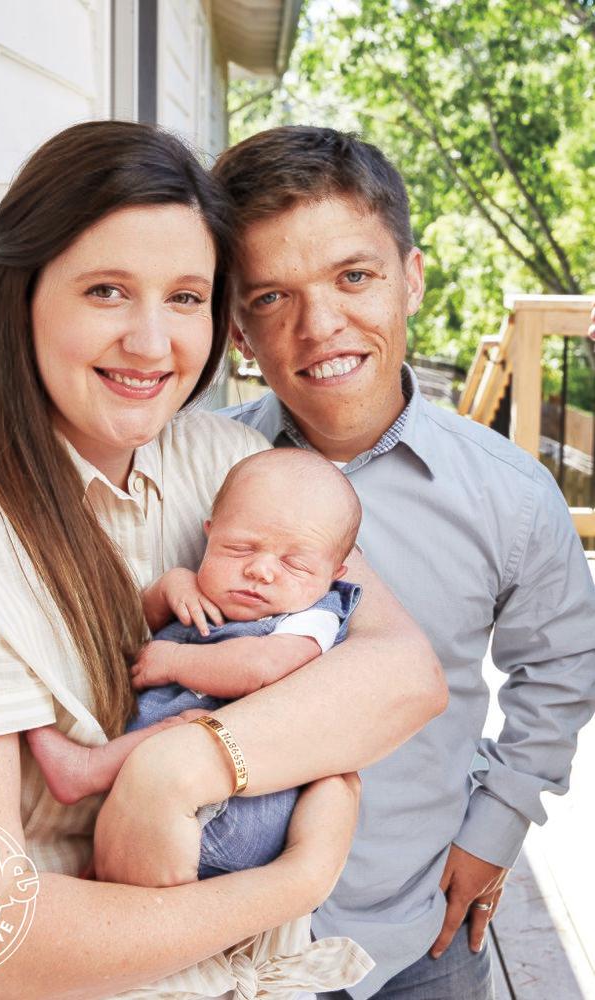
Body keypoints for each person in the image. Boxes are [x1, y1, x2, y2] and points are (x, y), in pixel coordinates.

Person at [0, 121, 447, 1000]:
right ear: (23, 296)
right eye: (105, 290)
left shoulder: (221, 464)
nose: (151, 342)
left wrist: (187, 764)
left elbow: (403, 674)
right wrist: (288, 885)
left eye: (185, 297)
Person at [204, 125, 595, 1000]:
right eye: (271, 297)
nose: (320, 325)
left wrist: (493, 829)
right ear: (236, 327)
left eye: (354, 276)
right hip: (217, 936)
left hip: (413, 924)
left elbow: (562, 666)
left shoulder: (508, 494)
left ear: (410, 277)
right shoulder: (200, 472)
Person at [28, 447, 364, 882]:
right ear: (209, 533)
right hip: (152, 806)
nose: (261, 570)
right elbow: (136, 635)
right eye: (239, 547)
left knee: (191, 729)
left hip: (232, 810)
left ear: (334, 572)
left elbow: (258, 667)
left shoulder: (313, 616)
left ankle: (87, 772)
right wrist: (170, 588)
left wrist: (177, 662)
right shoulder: (211, 593)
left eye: (294, 564)